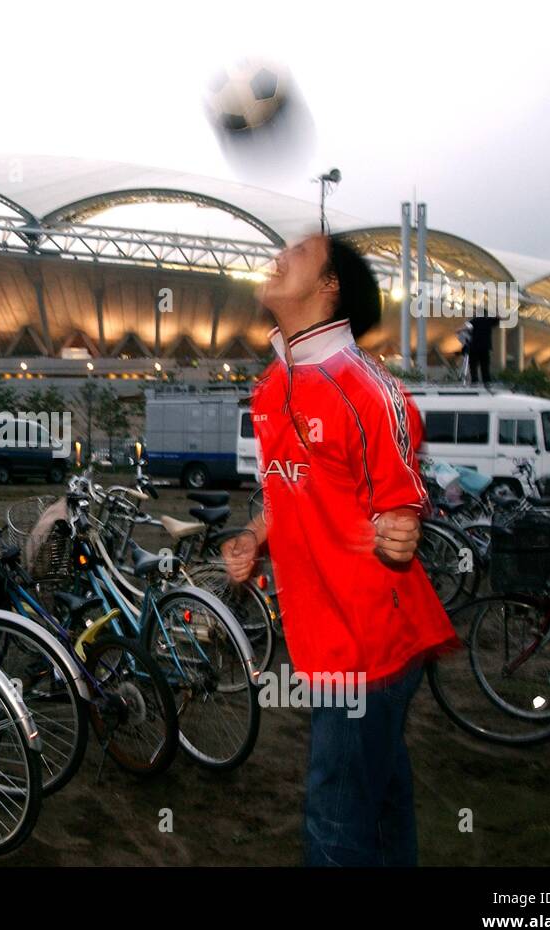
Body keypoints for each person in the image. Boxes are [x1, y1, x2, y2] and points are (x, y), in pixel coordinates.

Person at [221, 234, 455, 866]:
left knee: (333, 822)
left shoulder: (369, 389)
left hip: (370, 640)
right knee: (379, 801)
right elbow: (284, 492)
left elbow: (399, 497)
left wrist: (401, 526)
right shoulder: (272, 389)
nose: (279, 254)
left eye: (298, 251)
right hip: (320, 634)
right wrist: (254, 538)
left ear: (329, 288)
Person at [467, 313, 501, 387]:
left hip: (474, 347)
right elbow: (498, 318)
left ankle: (474, 381)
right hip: (485, 347)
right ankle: (486, 382)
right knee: (485, 366)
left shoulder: (474, 320)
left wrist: (458, 330)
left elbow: (466, 327)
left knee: (473, 365)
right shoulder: (488, 320)